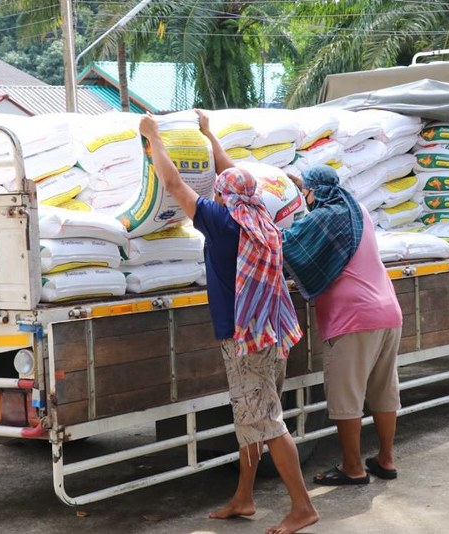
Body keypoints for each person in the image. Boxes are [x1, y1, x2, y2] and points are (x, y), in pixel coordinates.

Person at [138, 111, 319, 534]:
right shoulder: (262, 218)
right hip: (270, 332)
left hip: (246, 338)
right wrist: (209, 135)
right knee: (251, 418)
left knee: (266, 422)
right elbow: (234, 176)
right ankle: (244, 497)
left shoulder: (222, 223)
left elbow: (173, 185)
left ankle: (303, 507)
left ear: (222, 197)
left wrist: (153, 139)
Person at [282, 164, 403, 486]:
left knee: (346, 398)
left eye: (306, 192)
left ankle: (353, 468)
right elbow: (326, 200)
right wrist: (305, 186)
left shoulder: (322, 219)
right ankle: (386, 460)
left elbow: (288, 246)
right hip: (388, 312)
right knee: (382, 390)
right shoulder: (356, 210)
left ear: (313, 192)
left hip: (353, 319)